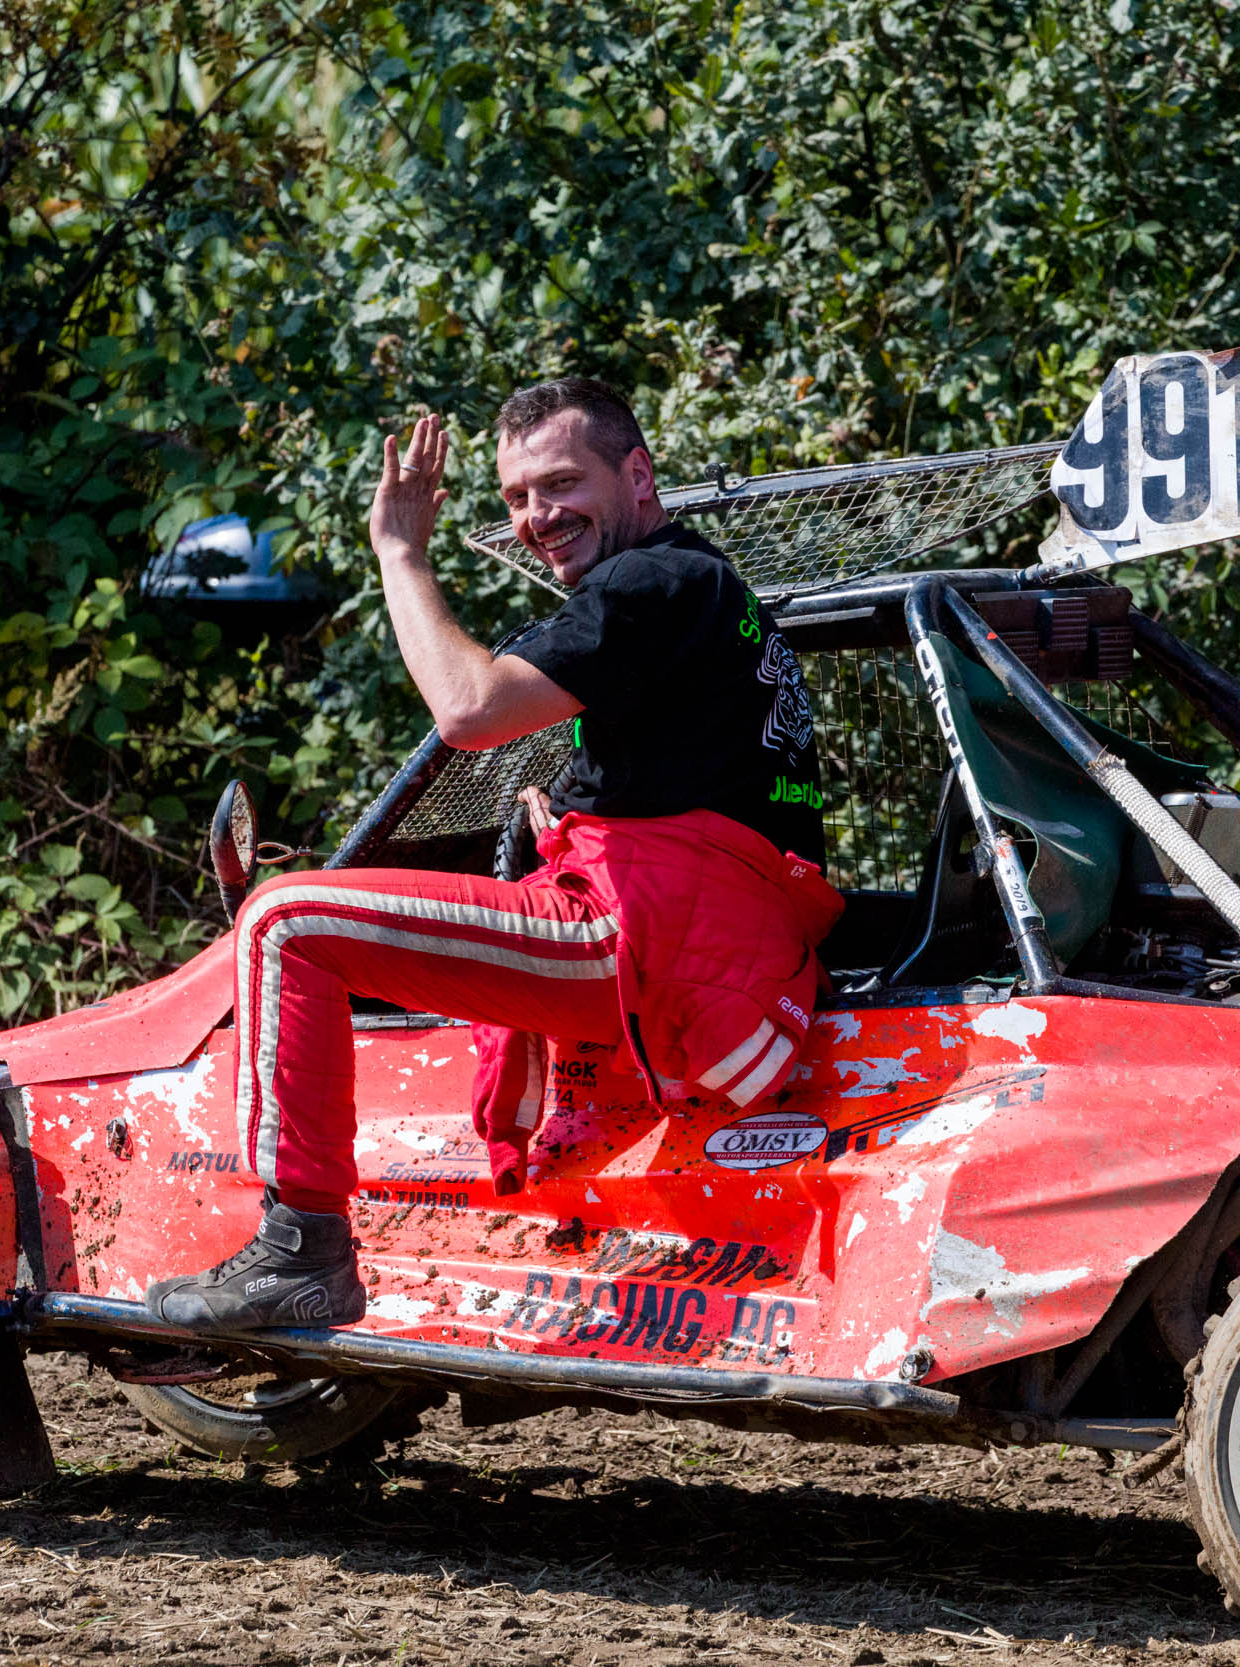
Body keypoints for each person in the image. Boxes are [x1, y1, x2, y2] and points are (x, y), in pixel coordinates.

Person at [147, 377, 840, 1331]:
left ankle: (302, 1249)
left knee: (283, 919)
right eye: (516, 496)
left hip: (647, 938)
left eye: (561, 483)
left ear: (638, 474)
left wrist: (399, 551)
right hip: (706, 939)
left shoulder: (648, 582)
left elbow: (470, 710)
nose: (536, 516)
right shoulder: (702, 589)